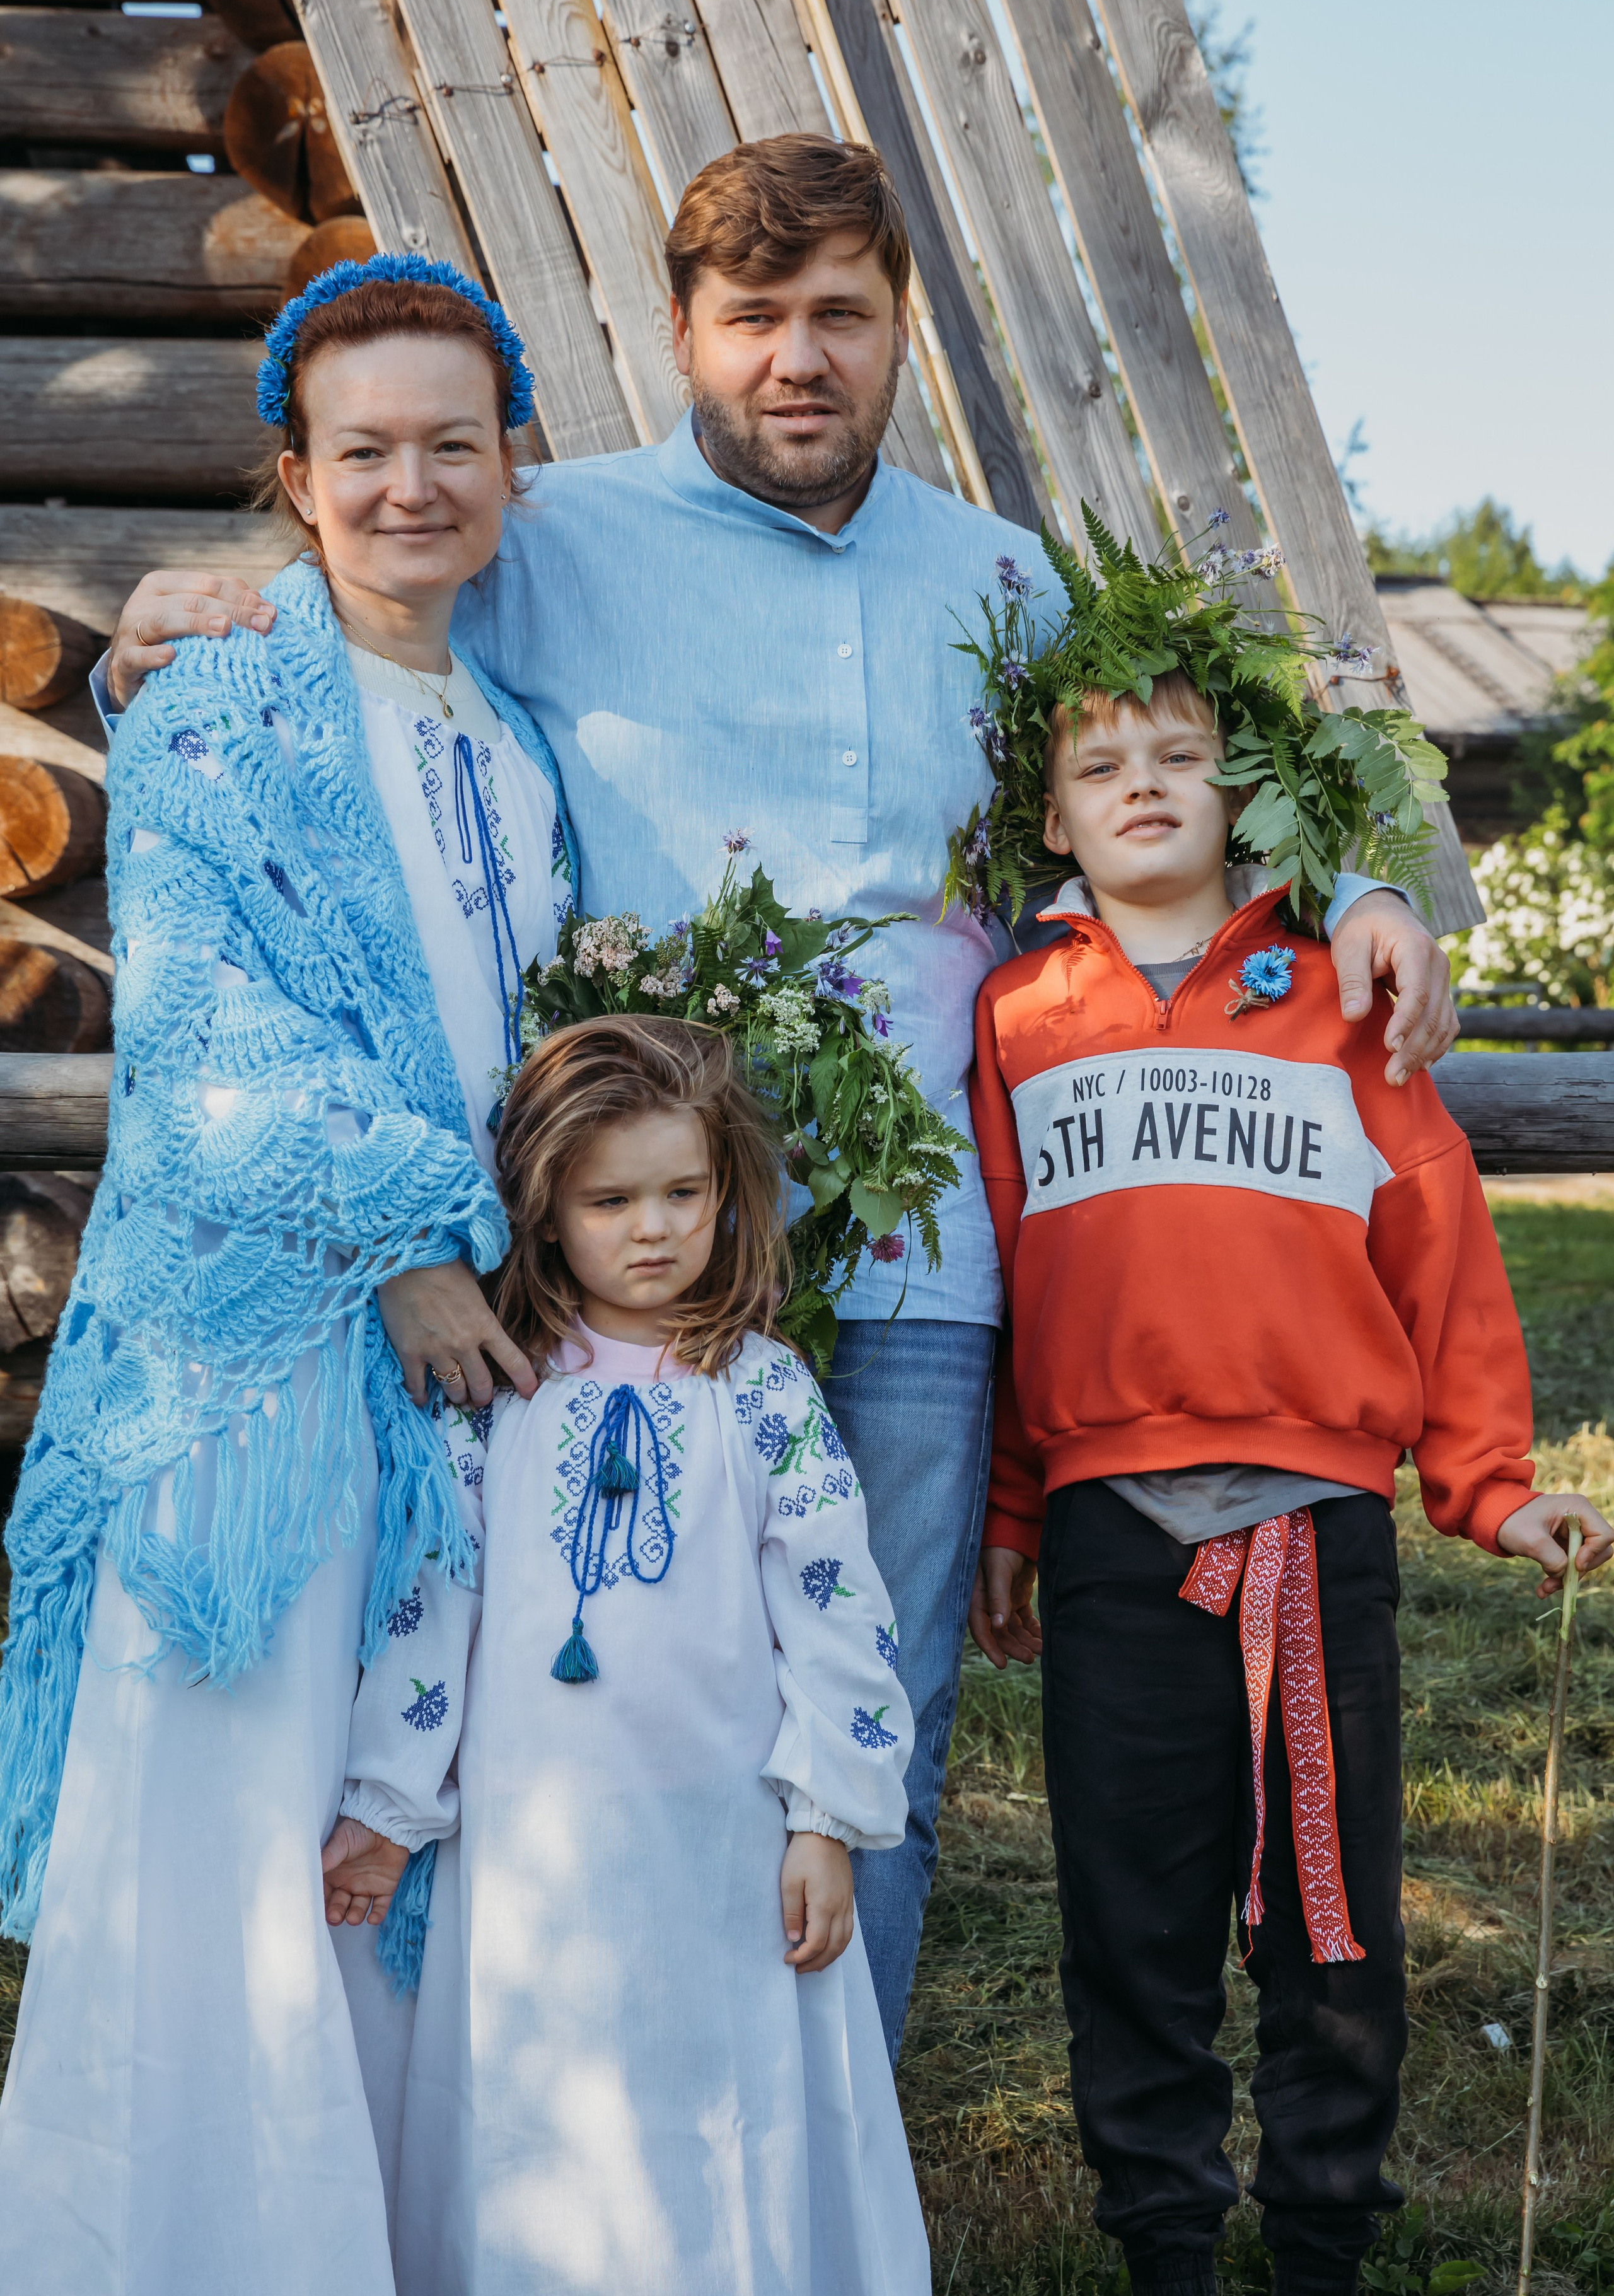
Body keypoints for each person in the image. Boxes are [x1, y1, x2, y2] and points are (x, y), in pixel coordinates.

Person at [94, 136, 1461, 2056]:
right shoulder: (544, 535)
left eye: (841, 315)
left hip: (912, 1255)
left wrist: (1372, 880)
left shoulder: (1006, 583)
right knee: (590, 1688)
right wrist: (165, 632)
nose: (797, 359)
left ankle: (830, 2160)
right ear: (681, 333)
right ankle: (589, 2123)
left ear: (899, 330)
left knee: (865, 1703)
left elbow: (1208, 758)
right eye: (754, 319)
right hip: (614, 1245)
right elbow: (352, 638)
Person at [0, 258, 581, 2296]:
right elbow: (202, 1030)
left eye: (453, 444)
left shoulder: (520, 742)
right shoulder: (222, 701)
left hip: (460, 1358)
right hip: (253, 1363)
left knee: (380, 1828)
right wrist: (412, 1240)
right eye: (366, 451)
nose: (412, 486)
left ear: (510, 463)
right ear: (296, 477)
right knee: (231, 1838)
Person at [963, 538, 1613, 2296]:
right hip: (1112, 1531)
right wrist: (1012, 1516)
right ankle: (1165, 2241)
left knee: (1330, 1917)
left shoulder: (1337, 987)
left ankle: (1325, 2233)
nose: (1142, 784)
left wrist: (1489, 1484)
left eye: (1180, 754)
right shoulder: (1017, 1014)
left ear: (1243, 790)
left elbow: (1438, 1236)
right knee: (1131, 1907)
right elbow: (1012, 1279)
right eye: (1100, 764)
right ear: (1049, 818)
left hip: (1314, 1528)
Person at [335, 1014, 929, 2295]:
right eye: (611, 1201)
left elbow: (837, 1609)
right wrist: (389, 1802)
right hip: (535, 1849)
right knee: (546, 2107)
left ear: (726, 1192)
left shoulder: (761, 1392)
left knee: (709, 2101)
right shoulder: (497, 1395)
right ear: (547, 1213)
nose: (653, 1229)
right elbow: (435, 1608)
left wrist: (826, 1816)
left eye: (683, 1194)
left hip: (721, 1845)